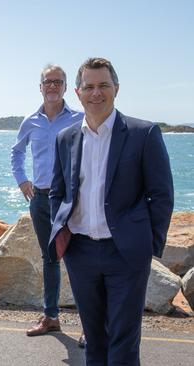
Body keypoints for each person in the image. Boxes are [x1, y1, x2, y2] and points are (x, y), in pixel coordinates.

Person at [49, 57, 174, 365]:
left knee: (123, 339)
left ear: (116, 88)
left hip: (126, 254)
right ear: (77, 93)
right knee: (94, 338)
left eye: (103, 85)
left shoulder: (143, 134)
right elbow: (58, 191)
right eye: (89, 86)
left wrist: (148, 245)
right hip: (80, 252)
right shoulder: (66, 138)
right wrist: (62, 235)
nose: (96, 93)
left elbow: (161, 195)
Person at [10, 64, 85, 344]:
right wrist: (22, 180)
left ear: (66, 87)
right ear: (39, 86)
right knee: (50, 258)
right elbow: (16, 152)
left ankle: (89, 323)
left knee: (81, 258)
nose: (52, 86)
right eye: (48, 82)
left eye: (58, 82)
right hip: (41, 199)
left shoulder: (79, 118)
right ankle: (51, 317)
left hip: (71, 199)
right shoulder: (30, 121)